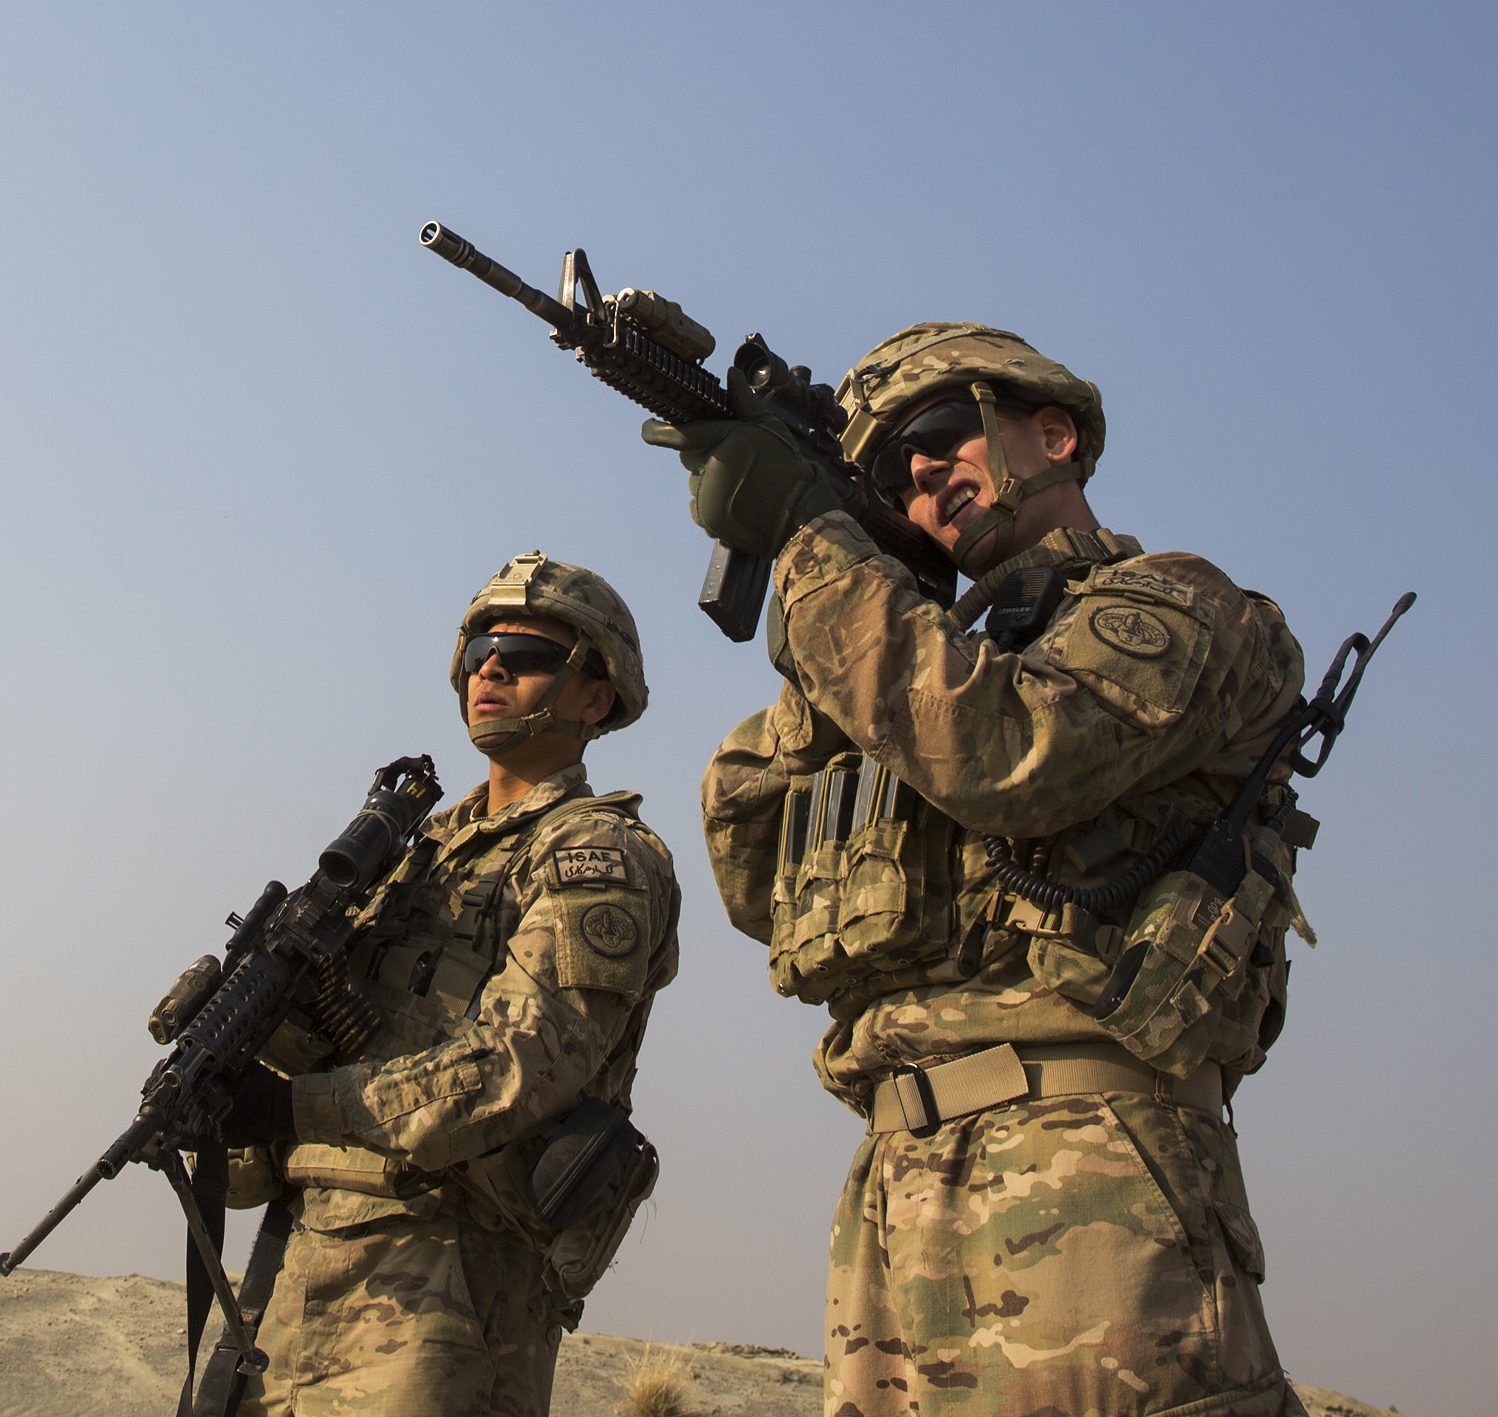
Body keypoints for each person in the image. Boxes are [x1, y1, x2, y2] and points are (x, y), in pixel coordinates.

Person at [647, 324, 1314, 1416]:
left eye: (940, 432)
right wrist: (850, 601)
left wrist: (817, 550)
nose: (914, 473)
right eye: (878, 473)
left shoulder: (1174, 604)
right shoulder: (916, 652)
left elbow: (1012, 756)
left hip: (1086, 1161)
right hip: (894, 1180)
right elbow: (753, 868)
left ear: (1051, 435)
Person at [219, 551, 681, 1417]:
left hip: (455, 1279)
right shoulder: (414, 850)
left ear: (596, 695)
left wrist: (293, 1107)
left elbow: (518, 1067)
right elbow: (325, 1047)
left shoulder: (598, 853)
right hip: (303, 1264)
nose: (492, 668)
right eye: (477, 654)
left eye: (526, 653)